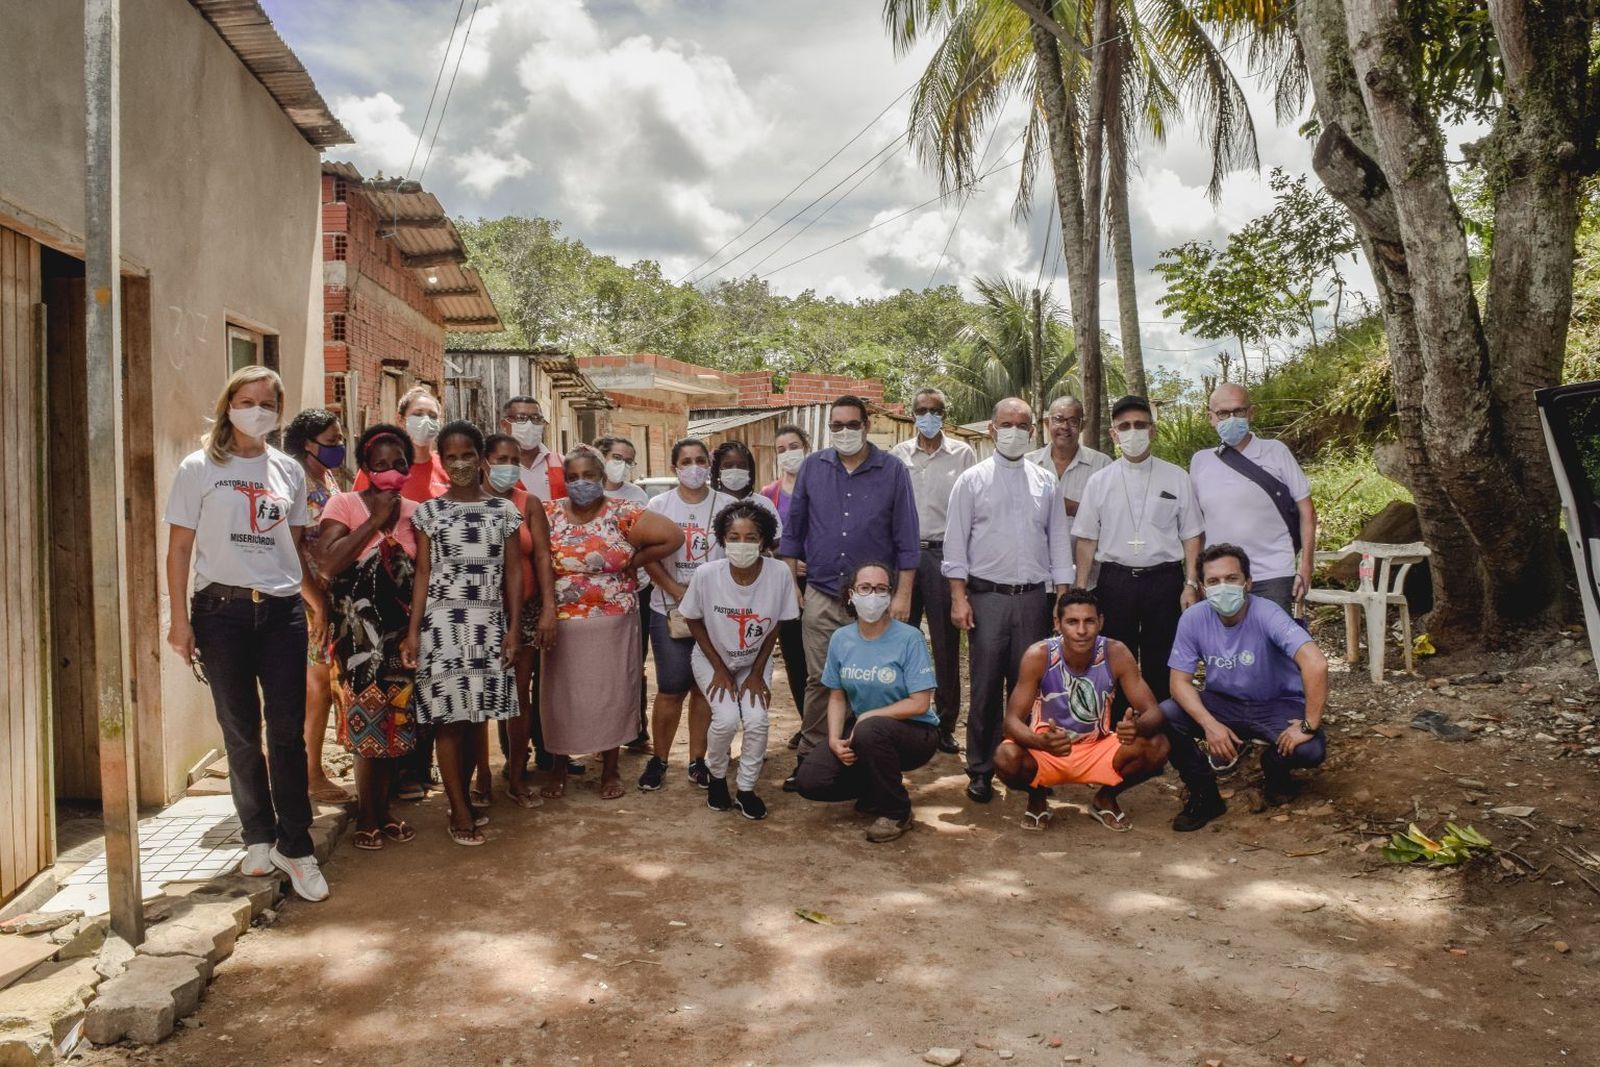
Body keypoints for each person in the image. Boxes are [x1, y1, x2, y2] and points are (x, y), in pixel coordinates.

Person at [163, 365, 328, 901]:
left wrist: (314, 604)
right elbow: (180, 549)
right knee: (239, 730)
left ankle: (296, 846)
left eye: (266, 402)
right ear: (228, 402)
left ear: (277, 412)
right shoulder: (199, 467)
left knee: (287, 731)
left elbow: (294, 548)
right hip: (220, 613)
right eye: (246, 399)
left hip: (280, 614)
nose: (256, 410)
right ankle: (258, 836)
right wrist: (179, 621)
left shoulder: (288, 471)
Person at [778, 396, 920, 791]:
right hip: (822, 593)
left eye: (851, 424)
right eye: (836, 426)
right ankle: (811, 757)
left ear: (866, 426)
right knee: (821, 680)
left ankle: (872, 761)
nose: (843, 432)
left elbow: (907, 537)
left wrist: (902, 595)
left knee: (877, 680)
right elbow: (793, 532)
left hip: (874, 598)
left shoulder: (892, 470)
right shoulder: (813, 467)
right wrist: (792, 585)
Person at [943, 398, 1074, 803]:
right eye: (1006, 424)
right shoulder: (971, 480)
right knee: (984, 688)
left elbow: (1058, 541)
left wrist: (1062, 601)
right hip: (987, 598)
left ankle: (1030, 767)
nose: (1014, 431)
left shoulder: (1044, 481)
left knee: (1032, 688)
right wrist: (958, 598)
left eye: (1022, 424)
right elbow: (955, 545)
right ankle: (981, 769)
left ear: (1033, 430)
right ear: (991, 430)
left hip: (1033, 598)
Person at [401, 421, 524, 846]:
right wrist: (414, 632)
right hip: (442, 627)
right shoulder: (429, 513)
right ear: (441, 460)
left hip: (488, 625)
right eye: (449, 457)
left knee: (477, 717)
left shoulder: (504, 512)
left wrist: (511, 629)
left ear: (481, 457)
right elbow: (422, 574)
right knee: (448, 721)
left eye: (467, 455)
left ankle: (465, 800)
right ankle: (457, 808)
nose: (459, 464)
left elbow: (513, 572)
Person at [541, 447, 682, 800]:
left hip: (613, 619)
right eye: (572, 477)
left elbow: (673, 537)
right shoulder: (549, 514)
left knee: (611, 693)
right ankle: (558, 766)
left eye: (589, 476)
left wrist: (633, 562)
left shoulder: (624, 513)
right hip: (561, 621)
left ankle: (609, 768)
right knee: (562, 697)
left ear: (602, 479)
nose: (581, 483)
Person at [1161, 543, 1330, 831]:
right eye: (1213, 581)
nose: (1223, 587)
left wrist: (1308, 725)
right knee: (1168, 714)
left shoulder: (1268, 613)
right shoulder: (1193, 619)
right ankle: (1205, 796)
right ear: (1202, 587)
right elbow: (1179, 682)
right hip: (1224, 702)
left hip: (1276, 703)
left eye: (1232, 578)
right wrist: (1209, 725)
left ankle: (1275, 771)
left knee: (1310, 750)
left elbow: (1316, 664)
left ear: (1248, 583)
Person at [316, 424, 422, 851]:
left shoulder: (418, 512)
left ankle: (385, 810)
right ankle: (367, 814)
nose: (391, 472)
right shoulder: (342, 504)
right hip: (356, 639)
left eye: (399, 464)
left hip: (401, 638)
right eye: (380, 465)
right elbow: (328, 563)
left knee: (394, 725)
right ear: (365, 468)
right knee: (364, 726)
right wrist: (376, 521)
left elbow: (422, 578)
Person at [992, 589, 1171, 831]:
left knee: (1158, 746)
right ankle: (1037, 798)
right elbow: (1011, 722)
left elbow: (1154, 712)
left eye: (1089, 621)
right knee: (1005, 758)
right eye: (1072, 622)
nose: (1081, 630)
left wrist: (1136, 727)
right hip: (1047, 751)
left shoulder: (1115, 652)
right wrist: (1040, 742)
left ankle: (1105, 798)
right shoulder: (1039, 655)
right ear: (1057, 623)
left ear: (1101, 622)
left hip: (1097, 748)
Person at [794, 563, 938, 843]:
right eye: (865, 588)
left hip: (914, 732)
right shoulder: (841, 638)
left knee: (870, 729)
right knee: (811, 780)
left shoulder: (910, 638)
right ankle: (876, 788)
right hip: (865, 731)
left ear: (890, 595)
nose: (873, 595)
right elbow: (836, 695)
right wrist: (835, 739)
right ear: (851, 594)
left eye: (881, 589)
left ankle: (897, 812)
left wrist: (871, 716)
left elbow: (921, 703)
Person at [1073, 395, 1203, 705]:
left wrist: (1191, 582)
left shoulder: (1177, 477)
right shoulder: (1099, 481)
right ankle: (1120, 732)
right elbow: (1087, 539)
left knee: (1164, 658)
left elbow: (1192, 535)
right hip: (1115, 581)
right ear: (1113, 434)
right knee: (1116, 656)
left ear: (1153, 430)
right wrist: (1080, 590)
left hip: (1165, 580)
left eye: (1140, 425)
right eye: (1125, 426)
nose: (1133, 432)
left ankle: (1165, 731)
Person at [353, 385, 449, 802]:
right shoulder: (373, 470)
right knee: (383, 683)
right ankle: (386, 773)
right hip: (382, 598)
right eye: (418, 413)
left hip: (436, 591)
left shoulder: (447, 468)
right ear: (401, 416)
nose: (425, 421)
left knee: (424, 682)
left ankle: (417, 768)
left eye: (433, 413)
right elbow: (362, 514)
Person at [680, 500, 798, 820]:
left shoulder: (778, 574)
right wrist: (720, 668)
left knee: (757, 720)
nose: (741, 544)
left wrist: (757, 673)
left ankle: (746, 788)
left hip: (753, 662)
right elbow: (692, 620)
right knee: (726, 719)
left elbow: (775, 624)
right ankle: (717, 777)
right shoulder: (707, 574)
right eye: (734, 536)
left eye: (751, 537)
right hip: (711, 659)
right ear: (722, 538)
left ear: (763, 540)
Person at [639, 438, 731, 792]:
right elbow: (648, 556)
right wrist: (677, 591)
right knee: (671, 686)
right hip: (669, 609)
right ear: (675, 467)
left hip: (714, 612)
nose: (694, 467)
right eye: (686, 461)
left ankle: (698, 760)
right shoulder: (658, 505)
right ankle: (659, 759)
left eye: (700, 460)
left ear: (709, 465)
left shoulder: (725, 505)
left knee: (704, 689)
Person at [889, 387, 977, 757]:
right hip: (904, 560)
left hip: (944, 557)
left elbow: (973, 508)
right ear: (912, 415)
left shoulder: (963, 453)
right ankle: (904, 719)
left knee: (945, 647)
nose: (928, 416)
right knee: (902, 643)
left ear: (944, 414)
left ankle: (944, 724)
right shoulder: (897, 457)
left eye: (935, 410)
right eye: (922, 410)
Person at [475, 433, 558, 809]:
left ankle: (517, 772)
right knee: (479, 696)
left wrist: (547, 609)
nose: (508, 466)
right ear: (484, 461)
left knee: (519, 695)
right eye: (500, 458)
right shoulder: (470, 502)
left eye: (514, 459)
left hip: (523, 610)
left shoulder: (529, 503)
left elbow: (543, 557)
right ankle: (480, 774)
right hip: (479, 610)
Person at [1188, 384, 1317, 611]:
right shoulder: (1200, 461)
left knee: (1274, 643)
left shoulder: (1275, 452)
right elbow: (1196, 528)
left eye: (1239, 411)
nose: (1232, 418)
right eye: (1223, 413)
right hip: (1221, 578)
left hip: (1273, 573)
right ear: (1211, 418)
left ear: (1251, 413)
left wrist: (1306, 566)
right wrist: (1194, 579)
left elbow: (1307, 511)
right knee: (1225, 645)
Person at [283, 408, 353, 806]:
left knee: (322, 687)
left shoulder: (322, 478)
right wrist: (318, 604)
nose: (339, 447)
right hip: (306, 598)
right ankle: (310, 775)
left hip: (322, 596)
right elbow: (291, 550)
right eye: (331, 440)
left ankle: (309, 771)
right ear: (309, 444)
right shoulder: (295, 481)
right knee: (314, 690)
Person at [596, 435, 653, 753]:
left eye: (629, 460)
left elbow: (646, 539)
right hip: (595, 593)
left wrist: (633, 562)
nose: (622, 465)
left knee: (633, 660)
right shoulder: (587, 491)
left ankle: (635, 731)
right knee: (600, 663)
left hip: (635, 589)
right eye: (617, 457)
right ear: (602, 457)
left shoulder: (637, 495)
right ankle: (601, 732)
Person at [1025, 395, 1111, 590]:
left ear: (1082, 425)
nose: (1065, 426)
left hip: (1087, 580)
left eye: (1073, 421)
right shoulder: (1027, 464)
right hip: (1039, 580)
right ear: (1047, 423)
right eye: (1058, 419)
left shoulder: (1101, 464)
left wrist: (1072, 507)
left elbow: (1111, 519)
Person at [761, 425, 810, 748]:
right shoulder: (769, 494)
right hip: (785, 584)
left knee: (824, 656)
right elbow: (761, 543)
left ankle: (831, 722)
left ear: (806, 447)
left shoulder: (822, 487)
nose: (788, 453)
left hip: (821, 582)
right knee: (795, 658)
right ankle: (808, 723)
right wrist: (785, 563)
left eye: (794, 445)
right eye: (781, 448)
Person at [709, 438, 783, 543]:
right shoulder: (709, 502)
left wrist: (765, 554)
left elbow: (778, 542)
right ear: (718, 471)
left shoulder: (764, 503)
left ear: (750, 469)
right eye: (728, 466)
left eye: (742, 465)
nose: (735, 469)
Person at [501, 395, 566, 503]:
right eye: (521, 418)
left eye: (536, 418)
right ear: (504, 424)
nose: (530, 424)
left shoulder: (562, 463)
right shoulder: (493, 466)